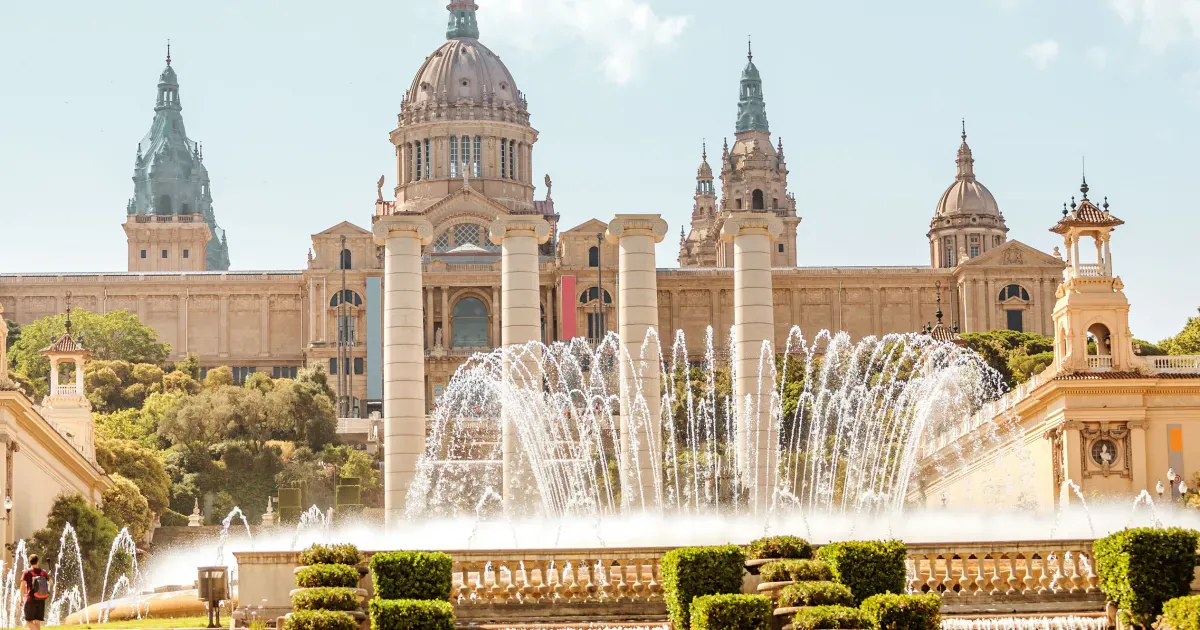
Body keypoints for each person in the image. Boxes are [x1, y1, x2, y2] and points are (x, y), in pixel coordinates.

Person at [20, 553, 50, 630]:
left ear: (30, 562)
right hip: (41, 599)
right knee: (37, 621)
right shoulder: (43, 572)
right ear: (37, 562)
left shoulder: (27, 572)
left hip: (31, 599)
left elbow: (22, 587)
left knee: (28, 621)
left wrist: (21, 599)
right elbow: (51, 583)